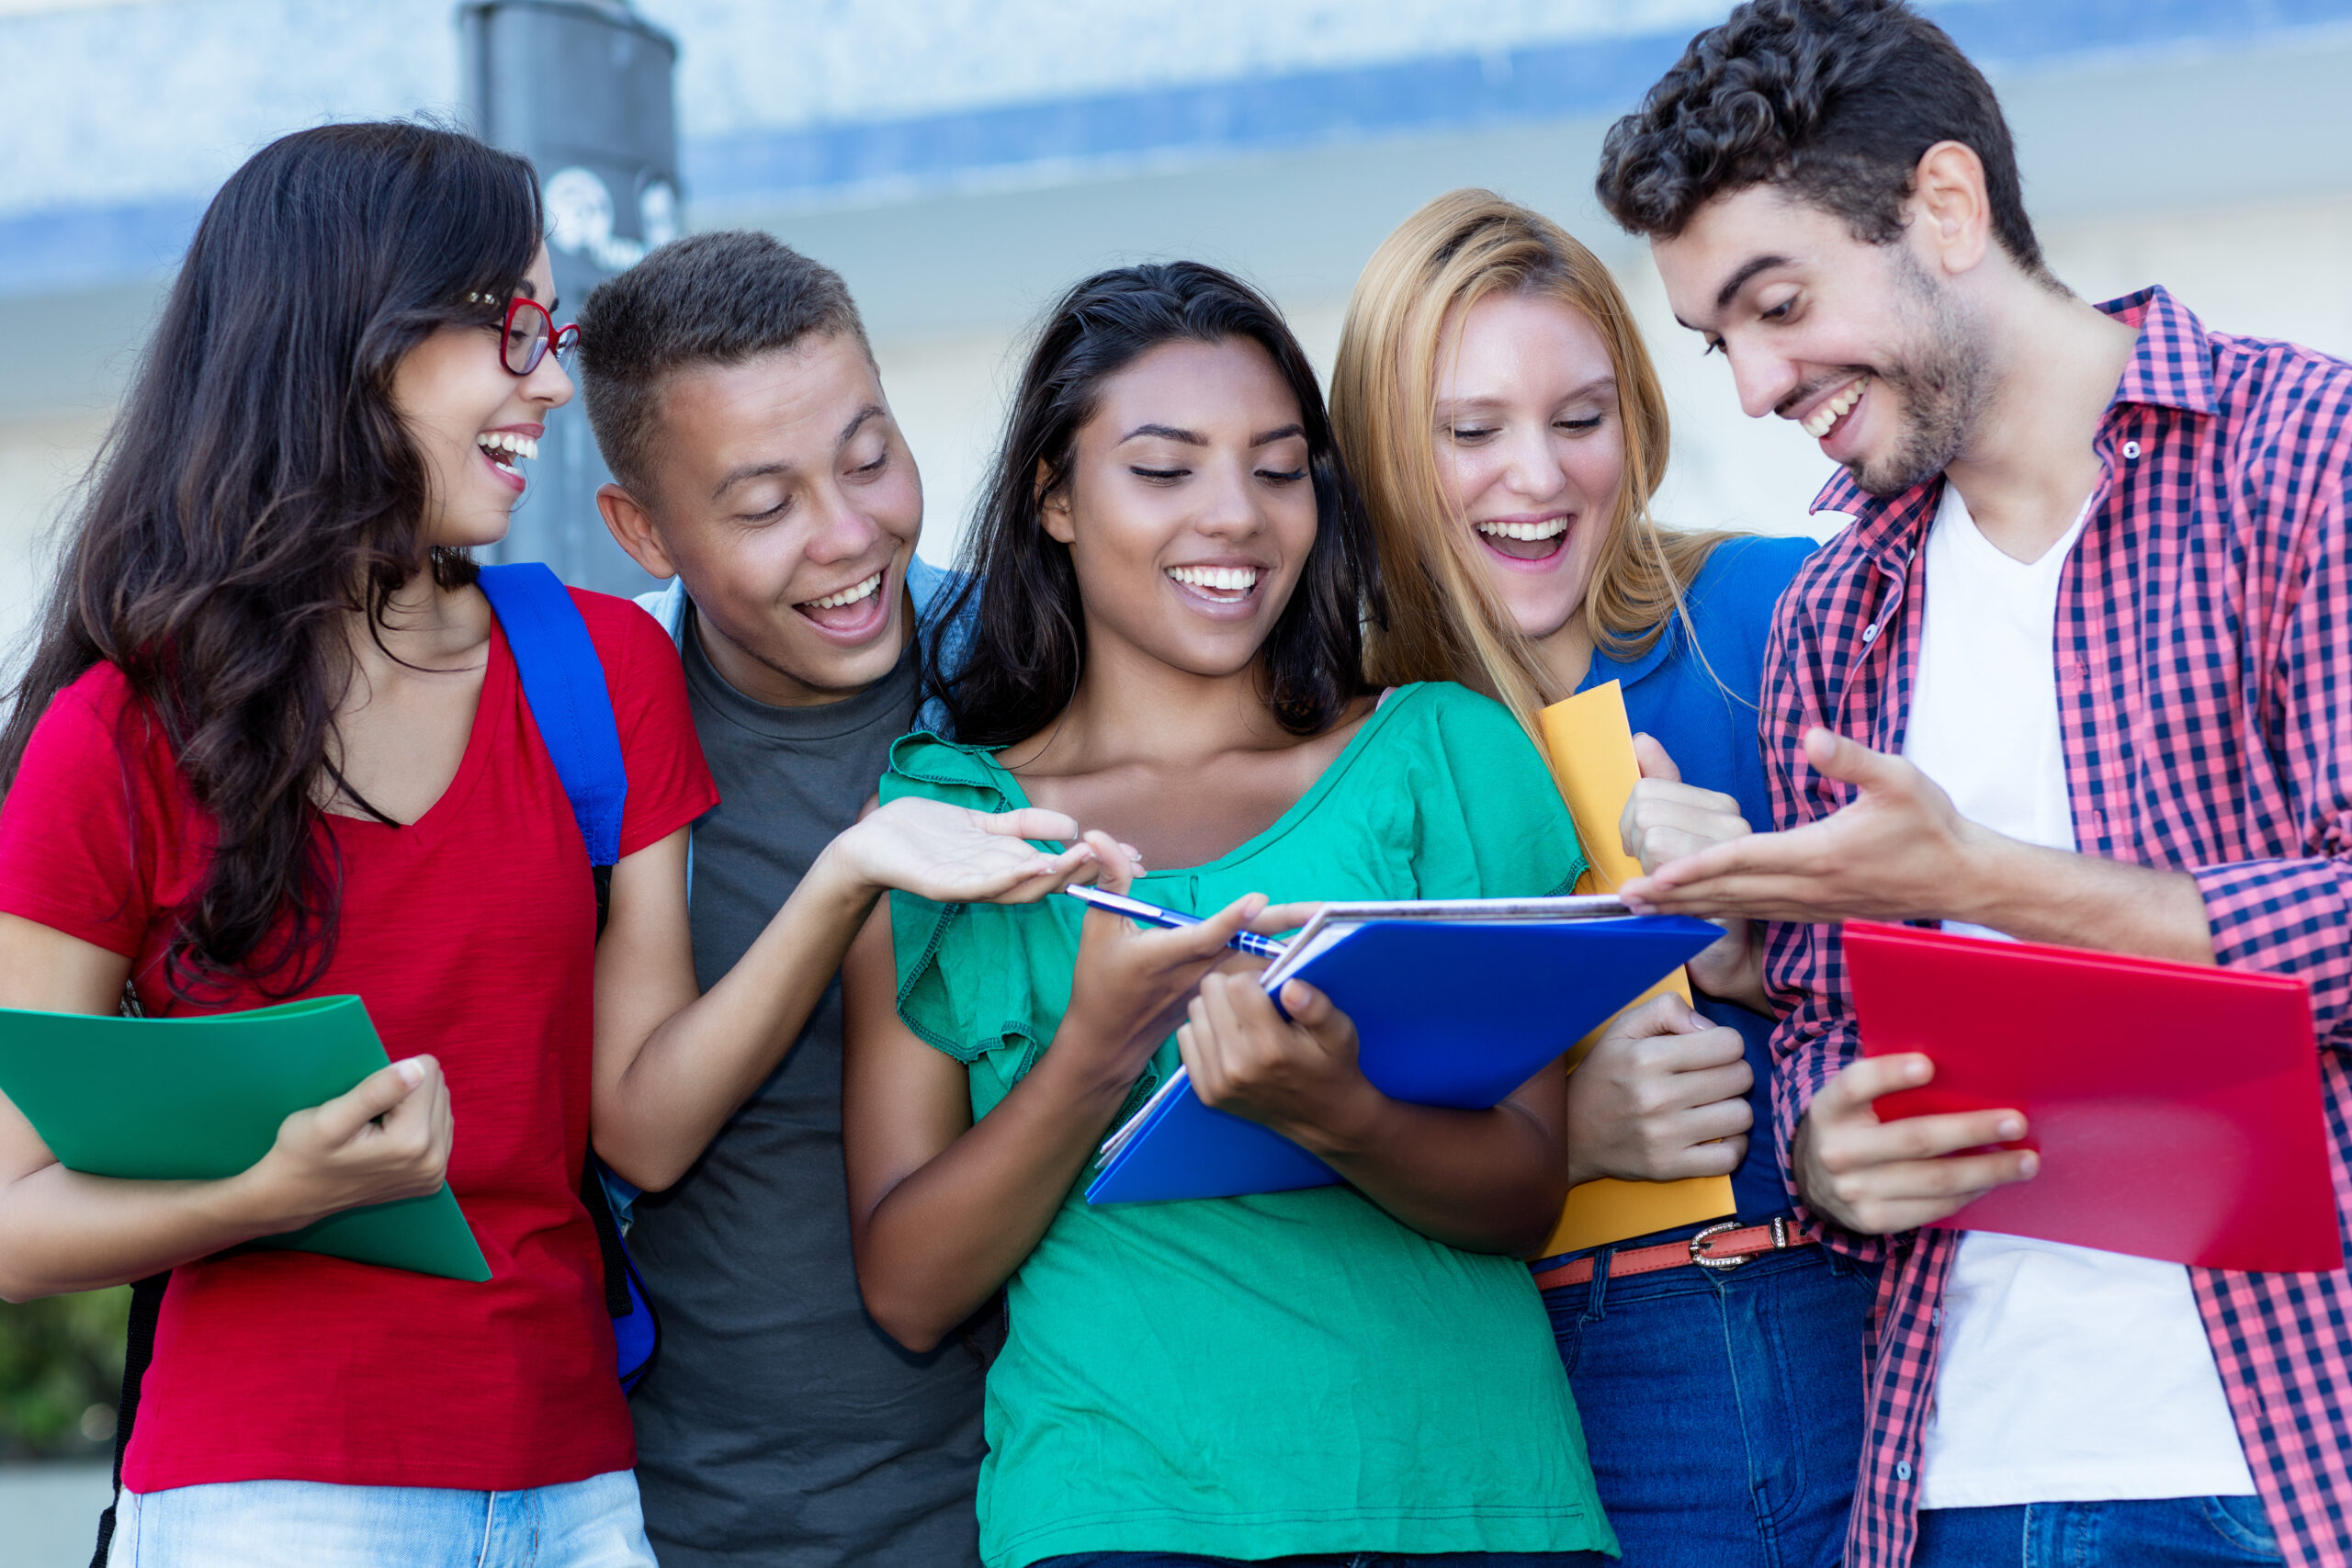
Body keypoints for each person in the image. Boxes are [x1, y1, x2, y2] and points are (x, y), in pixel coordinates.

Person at [0, 122, 1087, 1568]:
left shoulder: (594, 675)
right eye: (507, 326)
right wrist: (272, 1194)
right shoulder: (119, 735)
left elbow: (637, 1121)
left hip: (578, 1485)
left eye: (549, 327)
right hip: (271, 1484)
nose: (550, 379)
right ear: (349, 345)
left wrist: (846, 870)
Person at [1594, 2, 2352, 1564]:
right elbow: (1818, 1019)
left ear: (1944, 207)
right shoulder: (1836, 610)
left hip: (2298, 1453)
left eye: (1778, 302)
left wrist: (1979, 880)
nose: (1751, 385)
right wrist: (1825, 1155)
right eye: (1716, 337)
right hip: (1964, 1479)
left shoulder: (2309, 460)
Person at [839, 260, 1625, 1567]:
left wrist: (1338, 1112)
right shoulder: (958, 826)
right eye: (1164, 470)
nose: (1237, 517)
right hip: (1124, 1516)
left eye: (1276, 467)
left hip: (1478, 1508)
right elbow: (910, 1290)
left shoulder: (1443, 756)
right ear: (1054, 499)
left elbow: (1524, 1193)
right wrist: (1094, 1054)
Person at [1329, 187, 1869, 1568]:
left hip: (1787, 1319)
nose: (1540, 475)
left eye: (1583, 417)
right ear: (1382, 450)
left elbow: (1990, 971)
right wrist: (1567, 1141)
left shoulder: (1773, 612)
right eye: (1471, 432)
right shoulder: (1333, 732)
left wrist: (1762, 948)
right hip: (1476, 1395)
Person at [578, 230, 1069, 1567]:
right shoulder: (595, 734)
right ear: (645, 529)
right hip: (699, 1517)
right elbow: (635, 1136)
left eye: (869, 457)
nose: (850, 537)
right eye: (762, 506)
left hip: (1049, 1503)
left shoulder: (1042, 670)